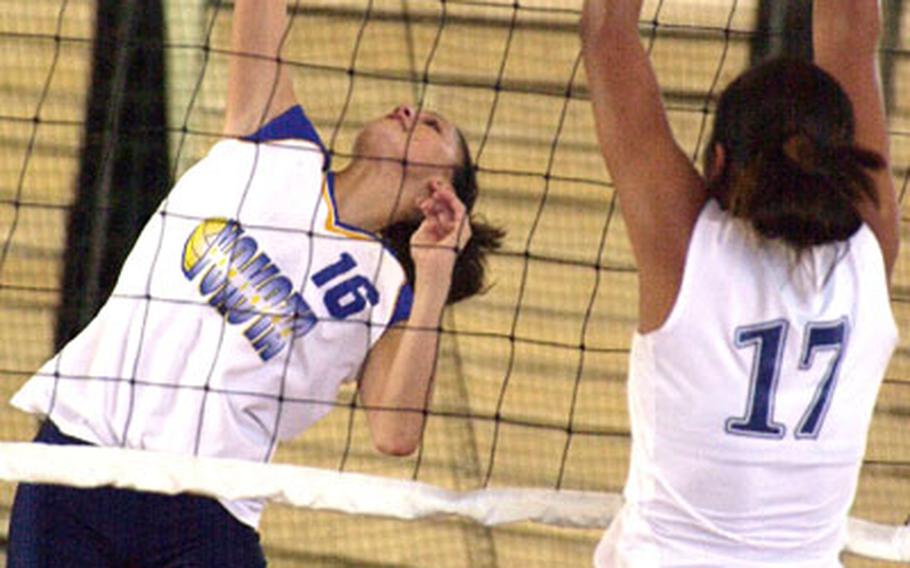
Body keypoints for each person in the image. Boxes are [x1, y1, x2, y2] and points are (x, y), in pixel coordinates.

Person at [7, 0, 502, 565]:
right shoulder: (275, 138)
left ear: (439, 187)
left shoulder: (392, 292)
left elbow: (395, 433)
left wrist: (434, 276)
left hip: (207, 508)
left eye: (433, 125)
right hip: (81, 455)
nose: (410, 108)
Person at [580, 0, 897, 565]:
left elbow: (607, 26)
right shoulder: (870, 247)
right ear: (842, 163)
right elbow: (851, 22)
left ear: (717, 162)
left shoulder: (689, 249)